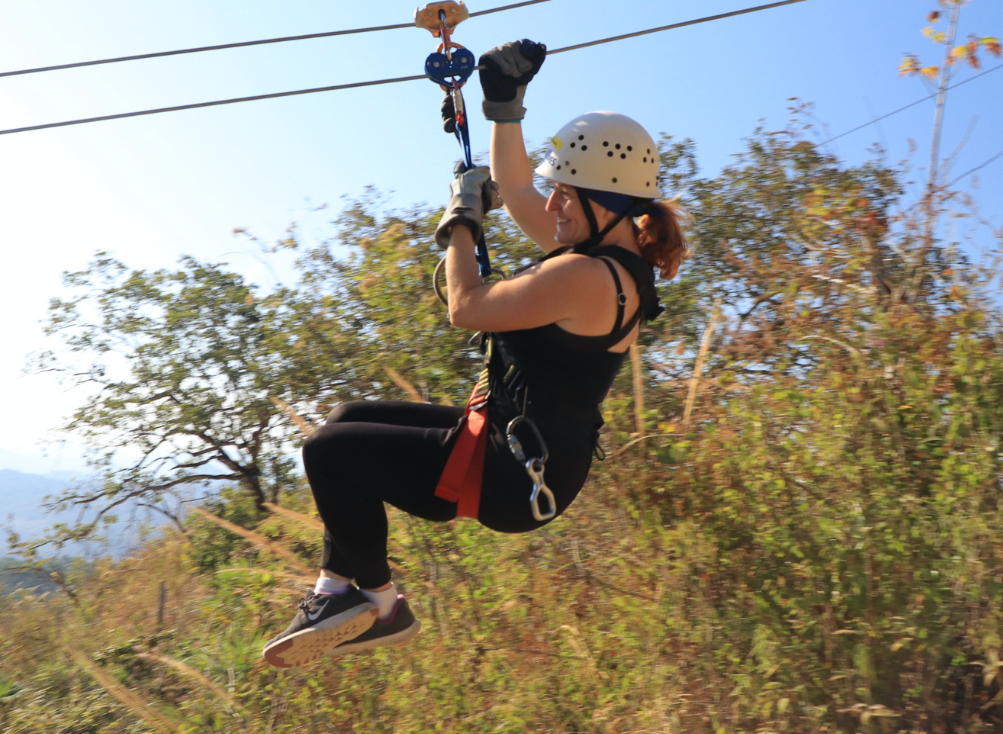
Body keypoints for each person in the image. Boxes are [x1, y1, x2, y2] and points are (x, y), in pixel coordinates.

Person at [261, 40, 690, 668]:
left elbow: (466, 305)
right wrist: (504, 109)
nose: (550, 206)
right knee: (347, 419)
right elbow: (517, 189)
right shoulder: (608, 257)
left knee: (327, 452)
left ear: (608, 202)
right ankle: (334, 591)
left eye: (564, 195)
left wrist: (460, 220)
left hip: (515, 474)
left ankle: (381, 605)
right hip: (516, 447)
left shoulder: (589, 278)